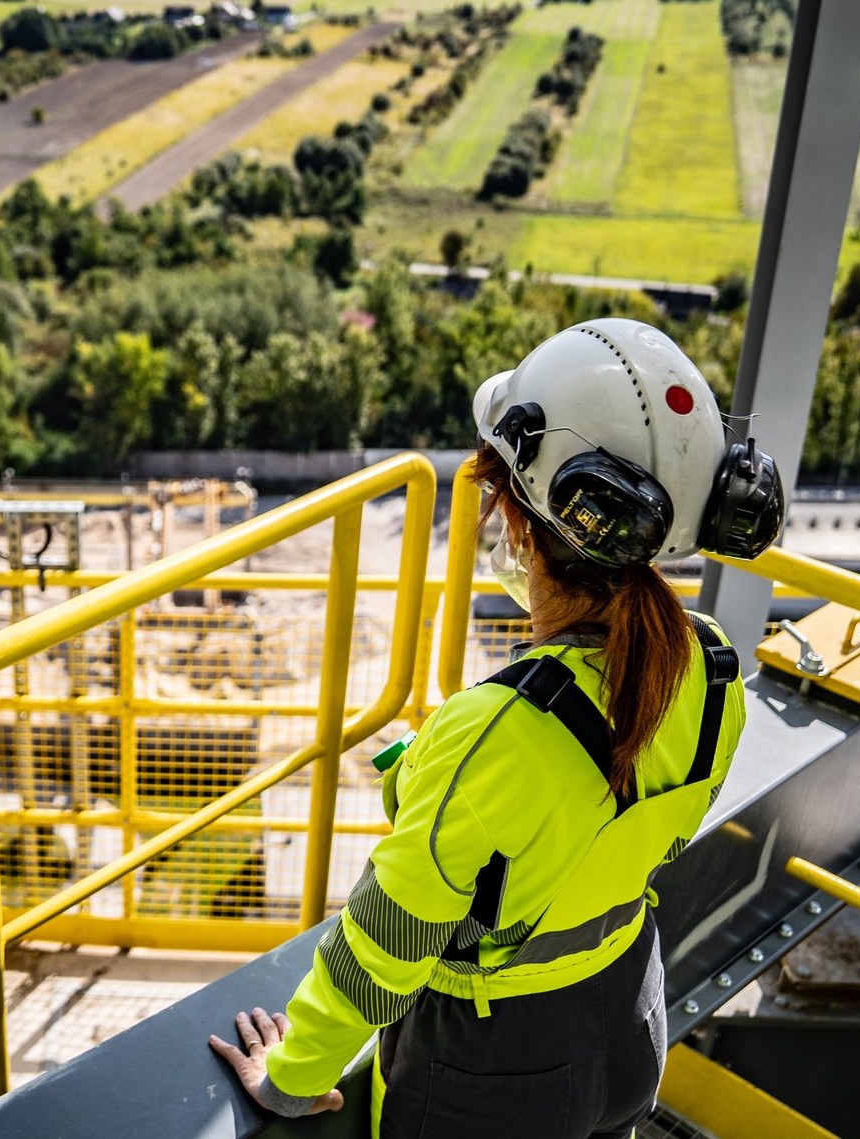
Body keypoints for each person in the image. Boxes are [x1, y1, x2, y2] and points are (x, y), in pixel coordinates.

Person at [208, 319, 786, 1138]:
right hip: (629, 1020)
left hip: (494, 1072)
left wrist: (292, 1074)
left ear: (524, 522)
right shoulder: (717, 668)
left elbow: (386, 943)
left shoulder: (499, 731)